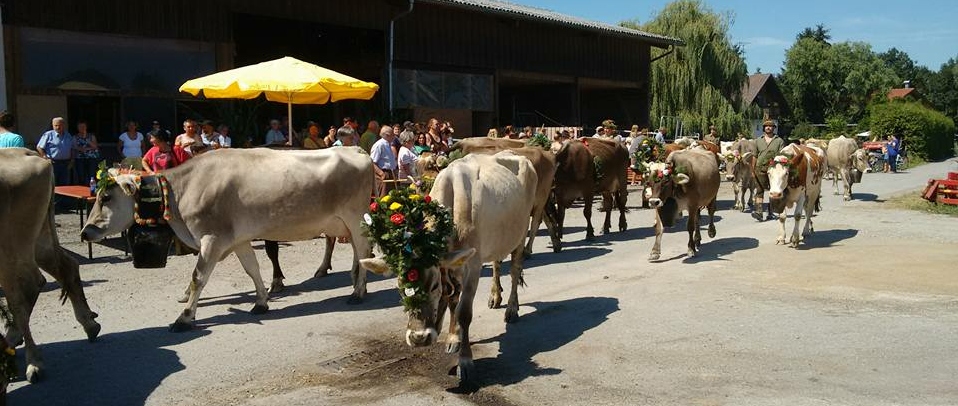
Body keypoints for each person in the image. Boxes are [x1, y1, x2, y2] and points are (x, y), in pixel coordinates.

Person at [752, 119, 785, 221]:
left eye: (770, 126)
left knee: (773, 190)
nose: (768, 127)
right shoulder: (758, 140)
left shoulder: (779, 141)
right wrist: (752, 170)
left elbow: (782, 156)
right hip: (760, 168)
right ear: (764, 128)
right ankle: (759, 211)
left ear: (773, 128)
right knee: (759, 190)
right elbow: (754, 156)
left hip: (774, 170)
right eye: (766, 126)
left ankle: (771, 212)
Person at [36, 117, 75, 186]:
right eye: (55, 125)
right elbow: (39, 147)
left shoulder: (68, 135)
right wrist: (46, 157)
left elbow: (72, 148)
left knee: (65, 184)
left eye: (59, 125)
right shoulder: (48, 135)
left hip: (66, 163)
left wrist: (72, 160)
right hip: (53, 163)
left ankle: (64, 197)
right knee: (54, 184)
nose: (57, 127)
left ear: (63, 125)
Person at [370, 126, 398, 196]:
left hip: (390, 173)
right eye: (393, 134)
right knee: (383, 198)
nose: (394, 136)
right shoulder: (379, 145)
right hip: (383, 174)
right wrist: (381, 174)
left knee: (392, 198)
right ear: (388, 135)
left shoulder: (388, 144)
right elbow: (372, 162)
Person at [73, 120, 100, 185]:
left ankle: (92, 190)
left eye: (83, 127)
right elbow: (76, 147)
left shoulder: (91, 136)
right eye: (80, 127)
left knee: (92, 175)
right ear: (77, 128)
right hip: (80, 159)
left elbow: (95, 147)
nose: (82, 128)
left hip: (91, 158)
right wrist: (89, 148)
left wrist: (86, 139)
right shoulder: (75, 137)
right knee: (81, 175)